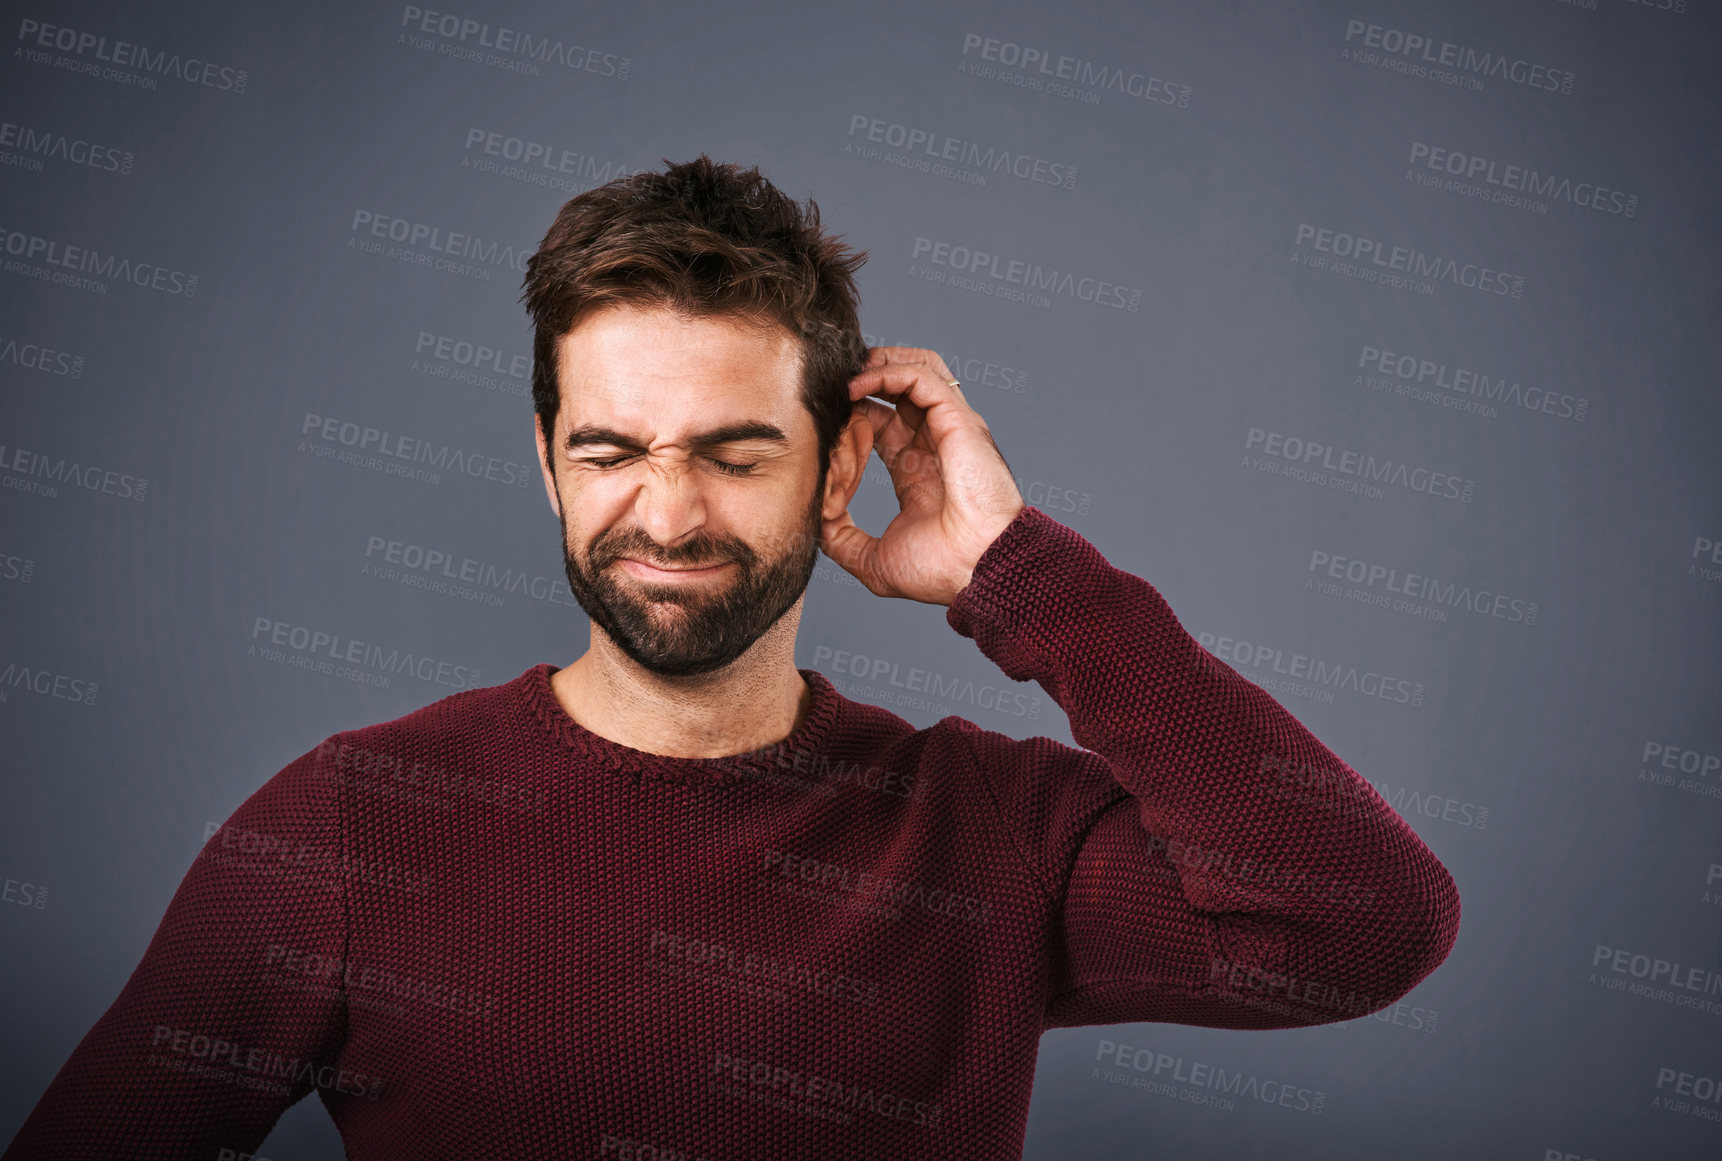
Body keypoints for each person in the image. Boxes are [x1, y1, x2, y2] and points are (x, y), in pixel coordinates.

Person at [3, 155, 1460, 1160]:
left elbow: (1361, 924)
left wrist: (1021, 574)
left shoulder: (989, 830)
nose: (669, 511)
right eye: (611, 449)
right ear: (547, 464)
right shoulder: (350, 822)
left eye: (734, 451)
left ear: (837, 472)